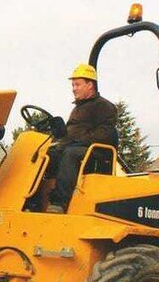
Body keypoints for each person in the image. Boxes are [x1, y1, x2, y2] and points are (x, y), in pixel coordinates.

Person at [46, 64, 118, 213]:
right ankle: (32, 201)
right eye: (73, 85)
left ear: (90, 85)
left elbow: (105, 133)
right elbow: (71, 133)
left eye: (77, 84)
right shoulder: (78, 108)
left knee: (70, 153)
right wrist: (60, 136)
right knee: (44, 155)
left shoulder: (104, 106)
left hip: (95, 152)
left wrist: (78, 141)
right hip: (75, 147)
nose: (74, 88)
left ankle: (60, 203)